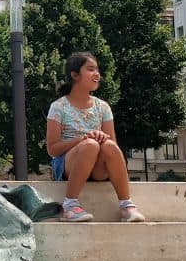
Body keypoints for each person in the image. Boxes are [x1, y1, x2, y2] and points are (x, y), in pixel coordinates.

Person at [45, 52, 145, 223]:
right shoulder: (58, 107)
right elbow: (52, 149)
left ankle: (126, 206)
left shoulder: (103, 107)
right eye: (90, 69)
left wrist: (100, 137)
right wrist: (82, 139)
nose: (97, 74)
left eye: (97, 69)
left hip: (97, 167)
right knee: (90, 145)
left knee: (109, 146)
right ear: (75, 74)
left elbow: (112, 144)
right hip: (67, 165)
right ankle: (69, 206)